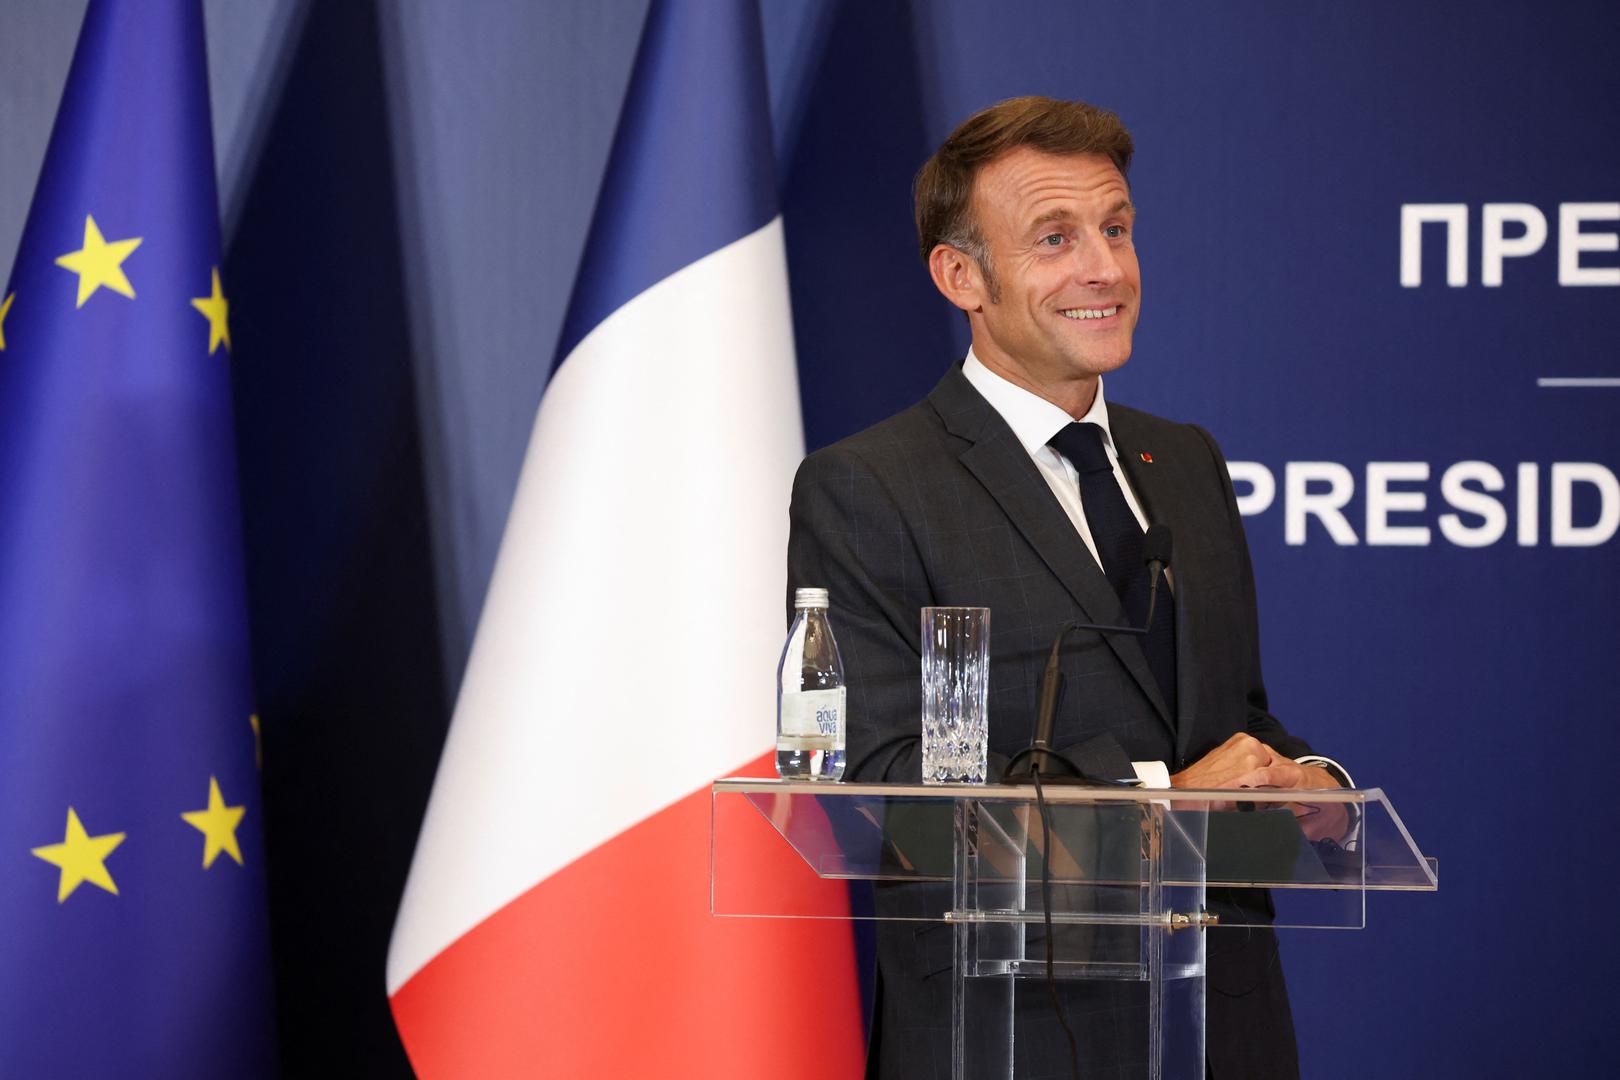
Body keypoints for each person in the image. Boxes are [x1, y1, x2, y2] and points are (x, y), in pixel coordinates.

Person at [786, 96, 1349, 1080]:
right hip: (1008, 1029)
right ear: (961, 276)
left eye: (1116, 229)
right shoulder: (871, 484)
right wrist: (1165, 801)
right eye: (1056, 238)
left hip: (1222, 1022)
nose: (1106, 269)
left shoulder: (1186, 461)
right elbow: (883, 788)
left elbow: (1232, 717)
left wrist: (1316, 788)